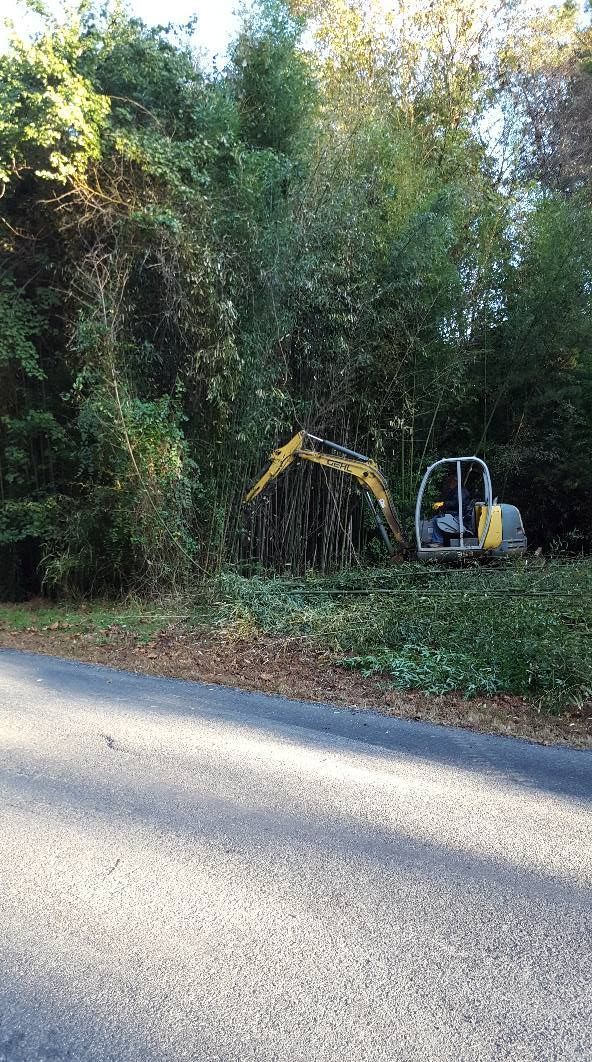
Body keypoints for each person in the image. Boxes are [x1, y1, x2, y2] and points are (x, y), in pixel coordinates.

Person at [430, 472, 472, 546]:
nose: (449, 483)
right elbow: (450, 501)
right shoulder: (455, 490)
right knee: (436, 518)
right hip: (455, 513)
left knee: (437, 519)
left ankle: (438, 541)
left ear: (455, 481)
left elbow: (457, 503)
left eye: (450, 481)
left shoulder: (461, 491)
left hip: (459, 516)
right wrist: (440, 503)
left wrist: (443, 504)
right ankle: (438, 540)